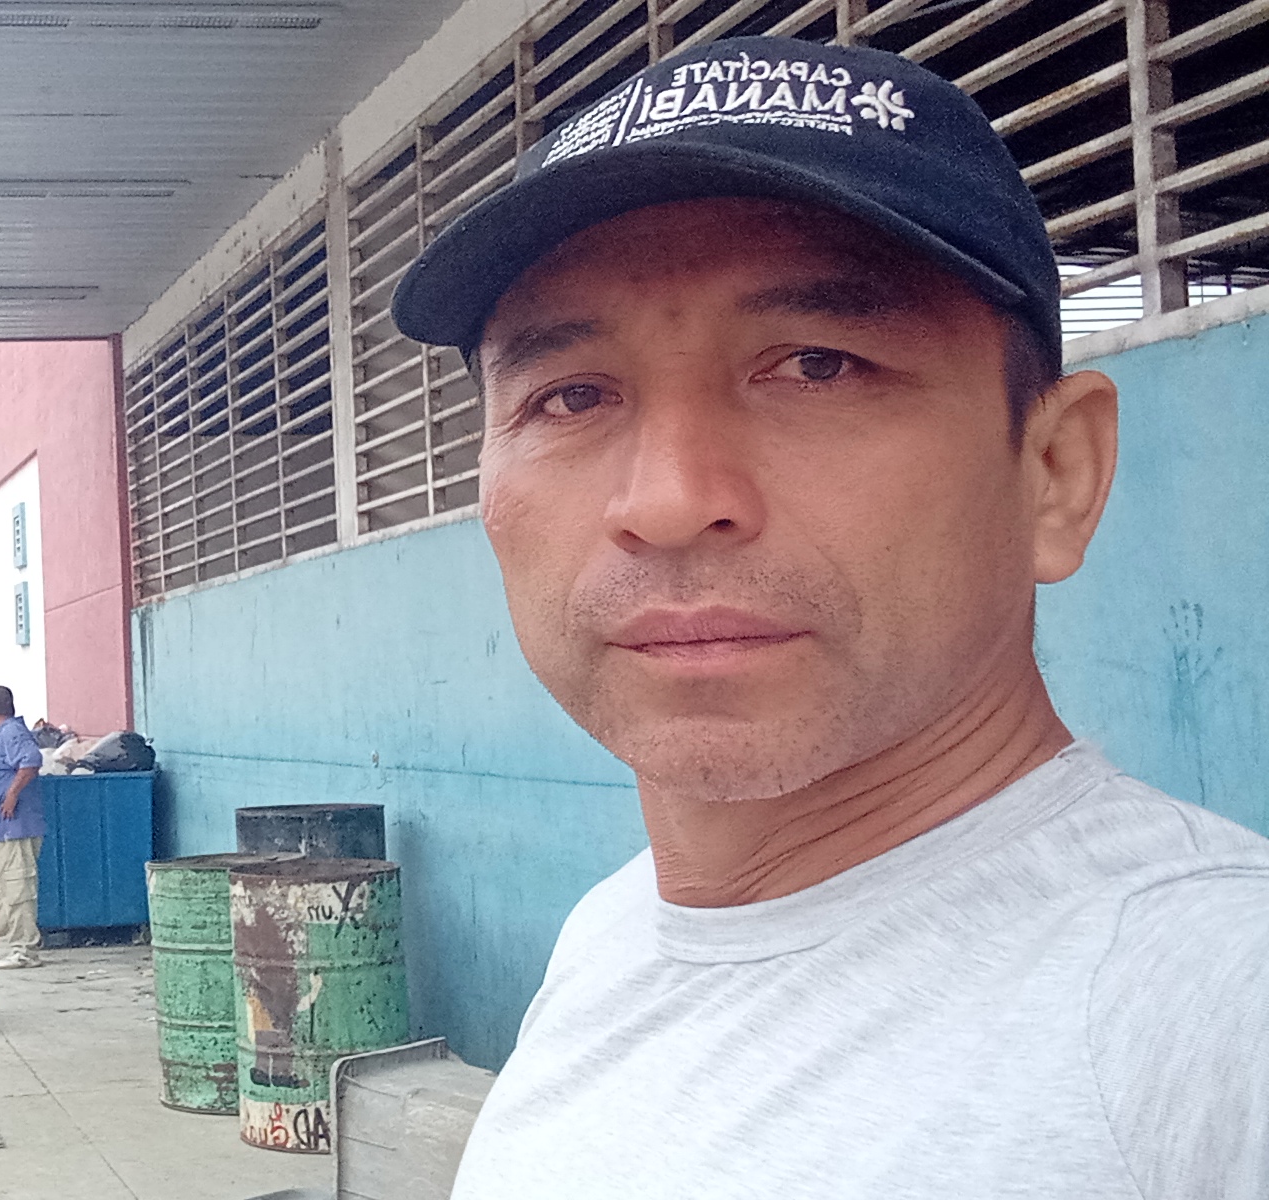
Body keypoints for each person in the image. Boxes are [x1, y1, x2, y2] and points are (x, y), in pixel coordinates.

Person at [384, 36, 1269, 1198]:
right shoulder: (613, 936)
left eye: (817, 365)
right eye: (572, 395)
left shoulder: (1212, 1012)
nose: (669, 501)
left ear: (1055, 473)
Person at [0, 686, 45, 969]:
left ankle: (25, 949)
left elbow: (31, 761)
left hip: (16, 827)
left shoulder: (12, 733)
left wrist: (12, 794)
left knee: (17, 889)